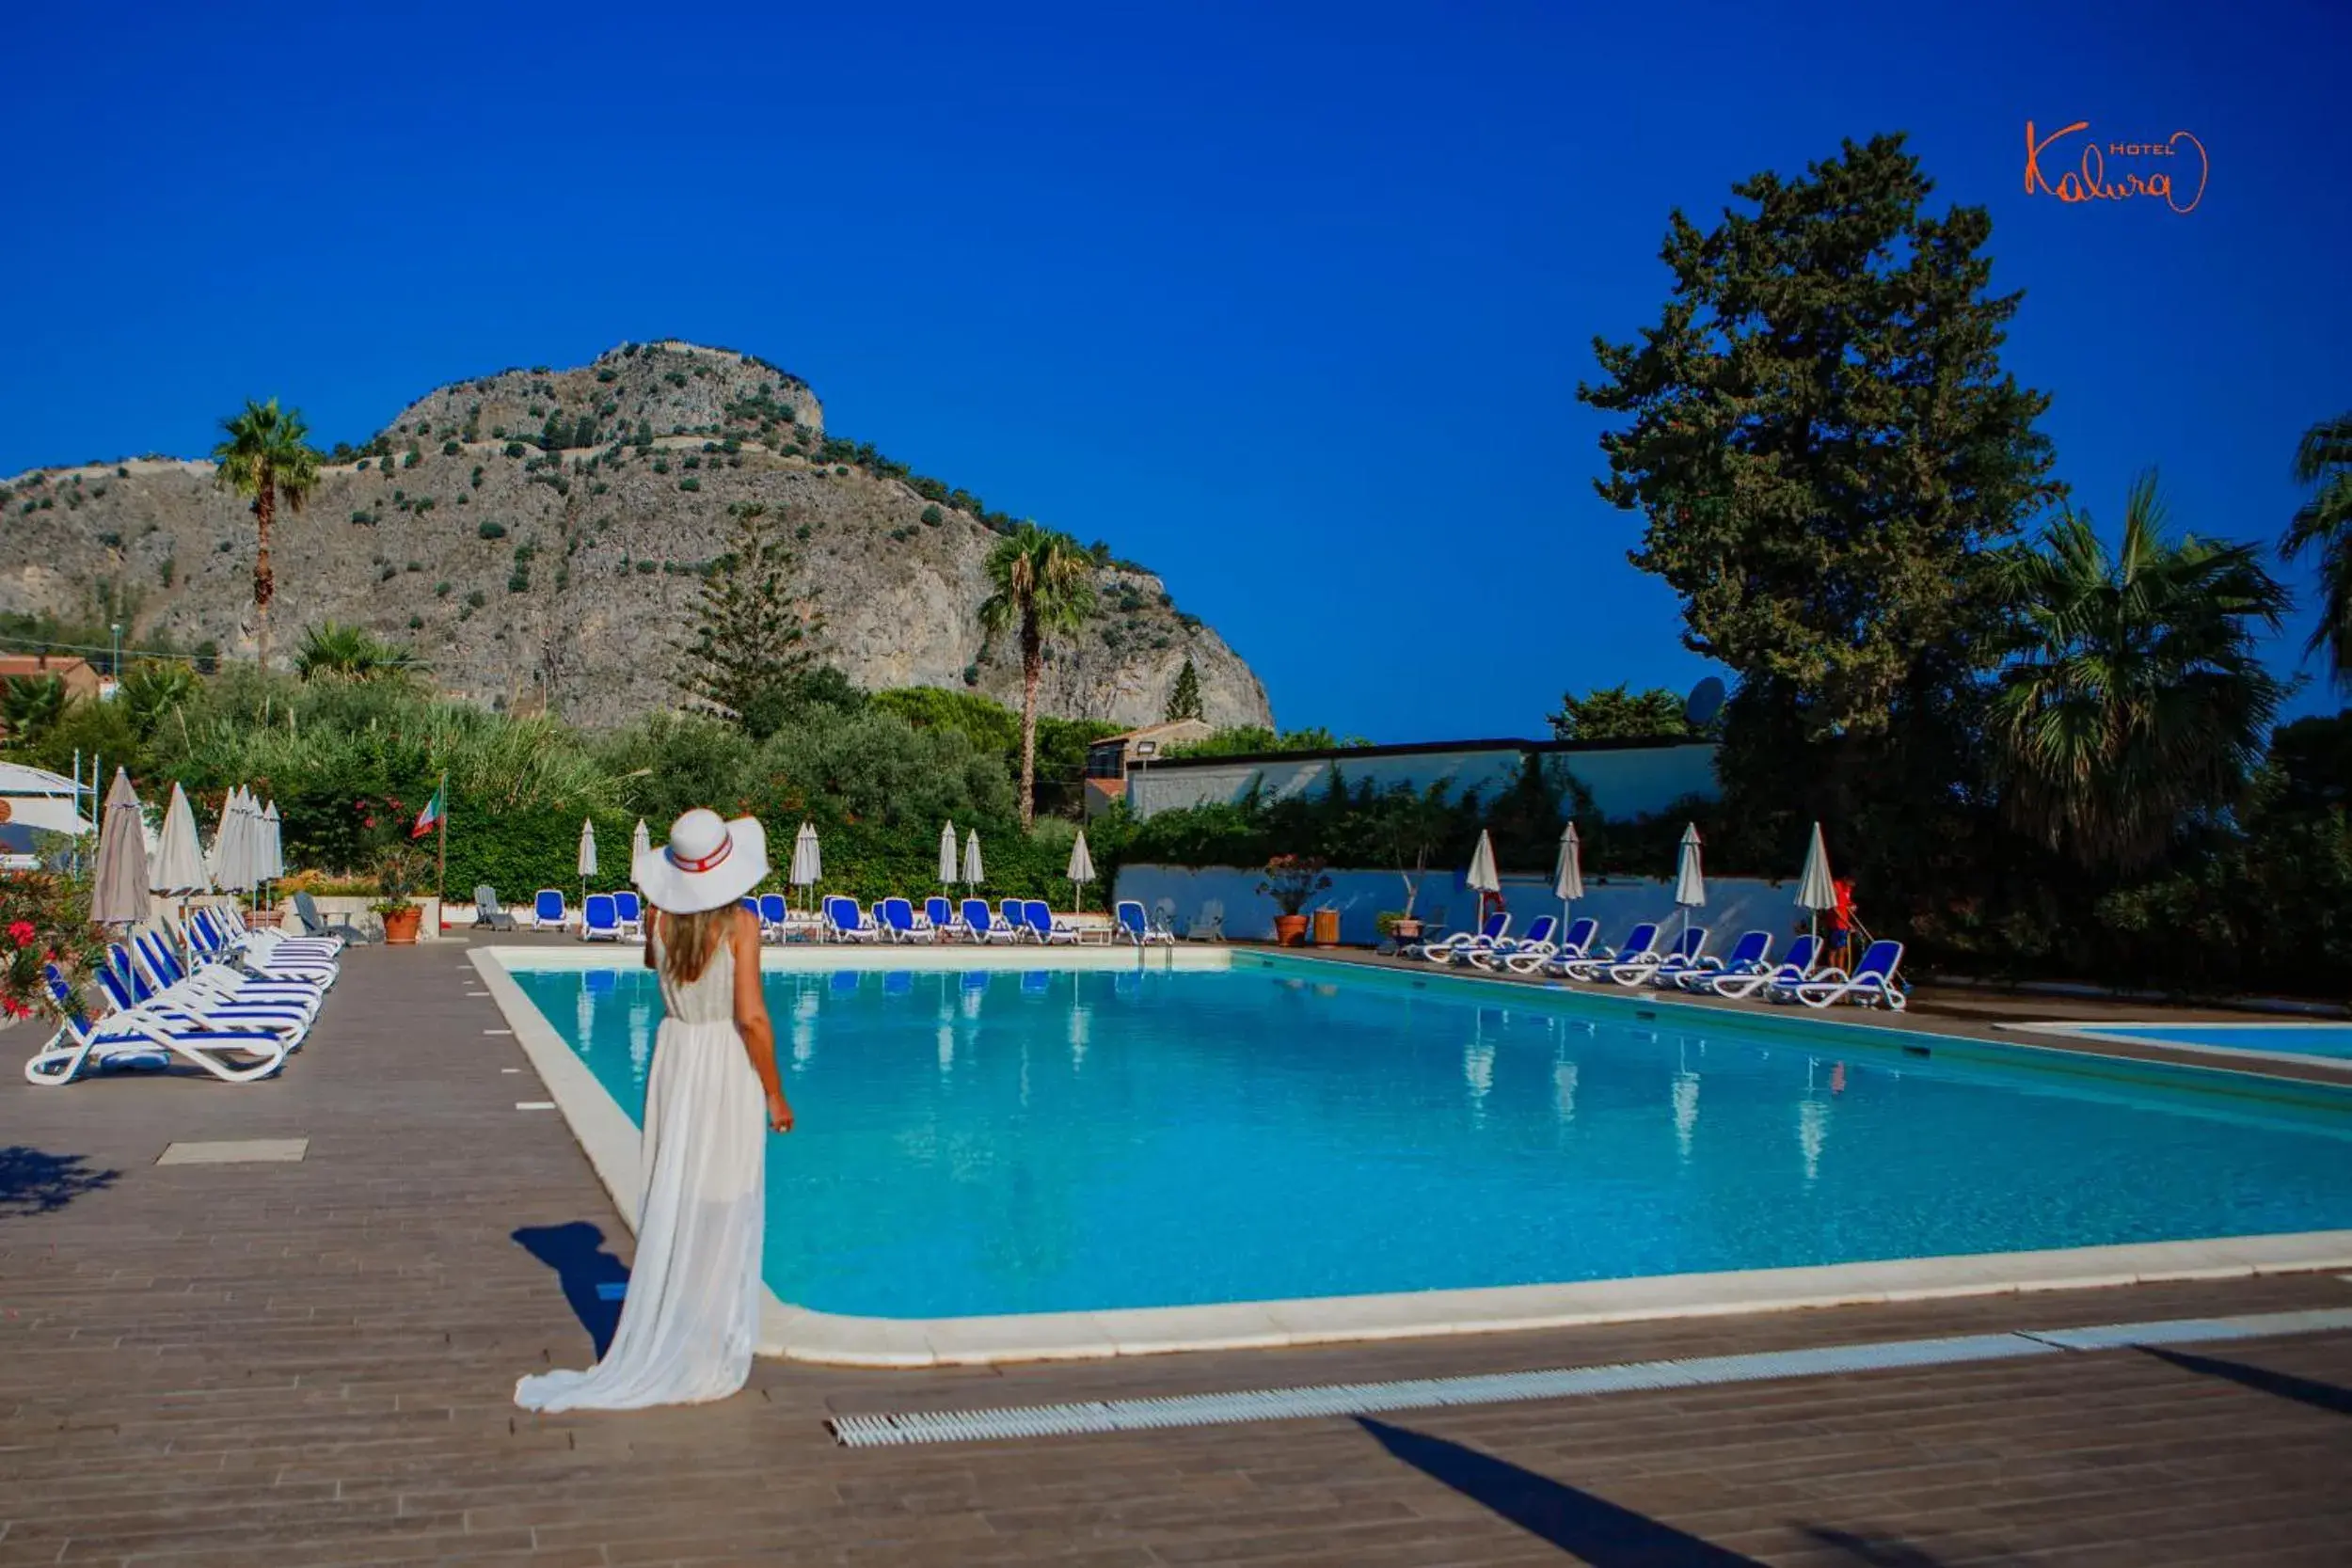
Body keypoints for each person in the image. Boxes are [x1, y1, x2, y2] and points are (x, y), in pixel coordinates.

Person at [516, 809, 794, 1413]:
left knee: (681, 1189)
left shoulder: (658, 916)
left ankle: (680, 1327)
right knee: (726, 1194)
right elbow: (751, 1017)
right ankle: (705, 1342)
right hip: (721, 1057)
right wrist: (774, 1092)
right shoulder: (743, 922)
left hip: (676, 1057)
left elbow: (656, 965)